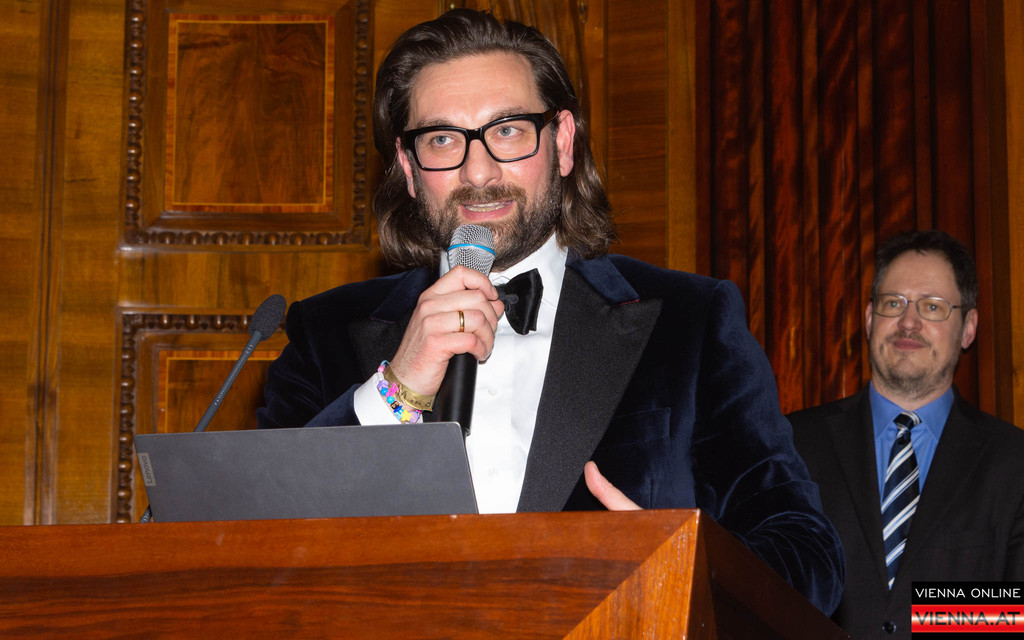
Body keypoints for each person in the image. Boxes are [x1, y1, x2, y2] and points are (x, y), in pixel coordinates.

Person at [257, 8, 843, 613]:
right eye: (442, 140)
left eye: (508, 130)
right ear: (409, 169)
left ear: (562, 143)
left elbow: (809, 556)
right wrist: (395, 392)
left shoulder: (691, 321)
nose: (477, 171)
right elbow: (245, 541)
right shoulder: (323, 333)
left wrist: (678, 568)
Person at [789, 229, 1024, 638]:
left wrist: (921, 616)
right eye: (893, 303)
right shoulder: (790, 445)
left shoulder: (1014, 462)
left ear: (968, 328)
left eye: (932, 307)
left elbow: (1014, 614)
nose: (908, 322)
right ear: (869, 319)